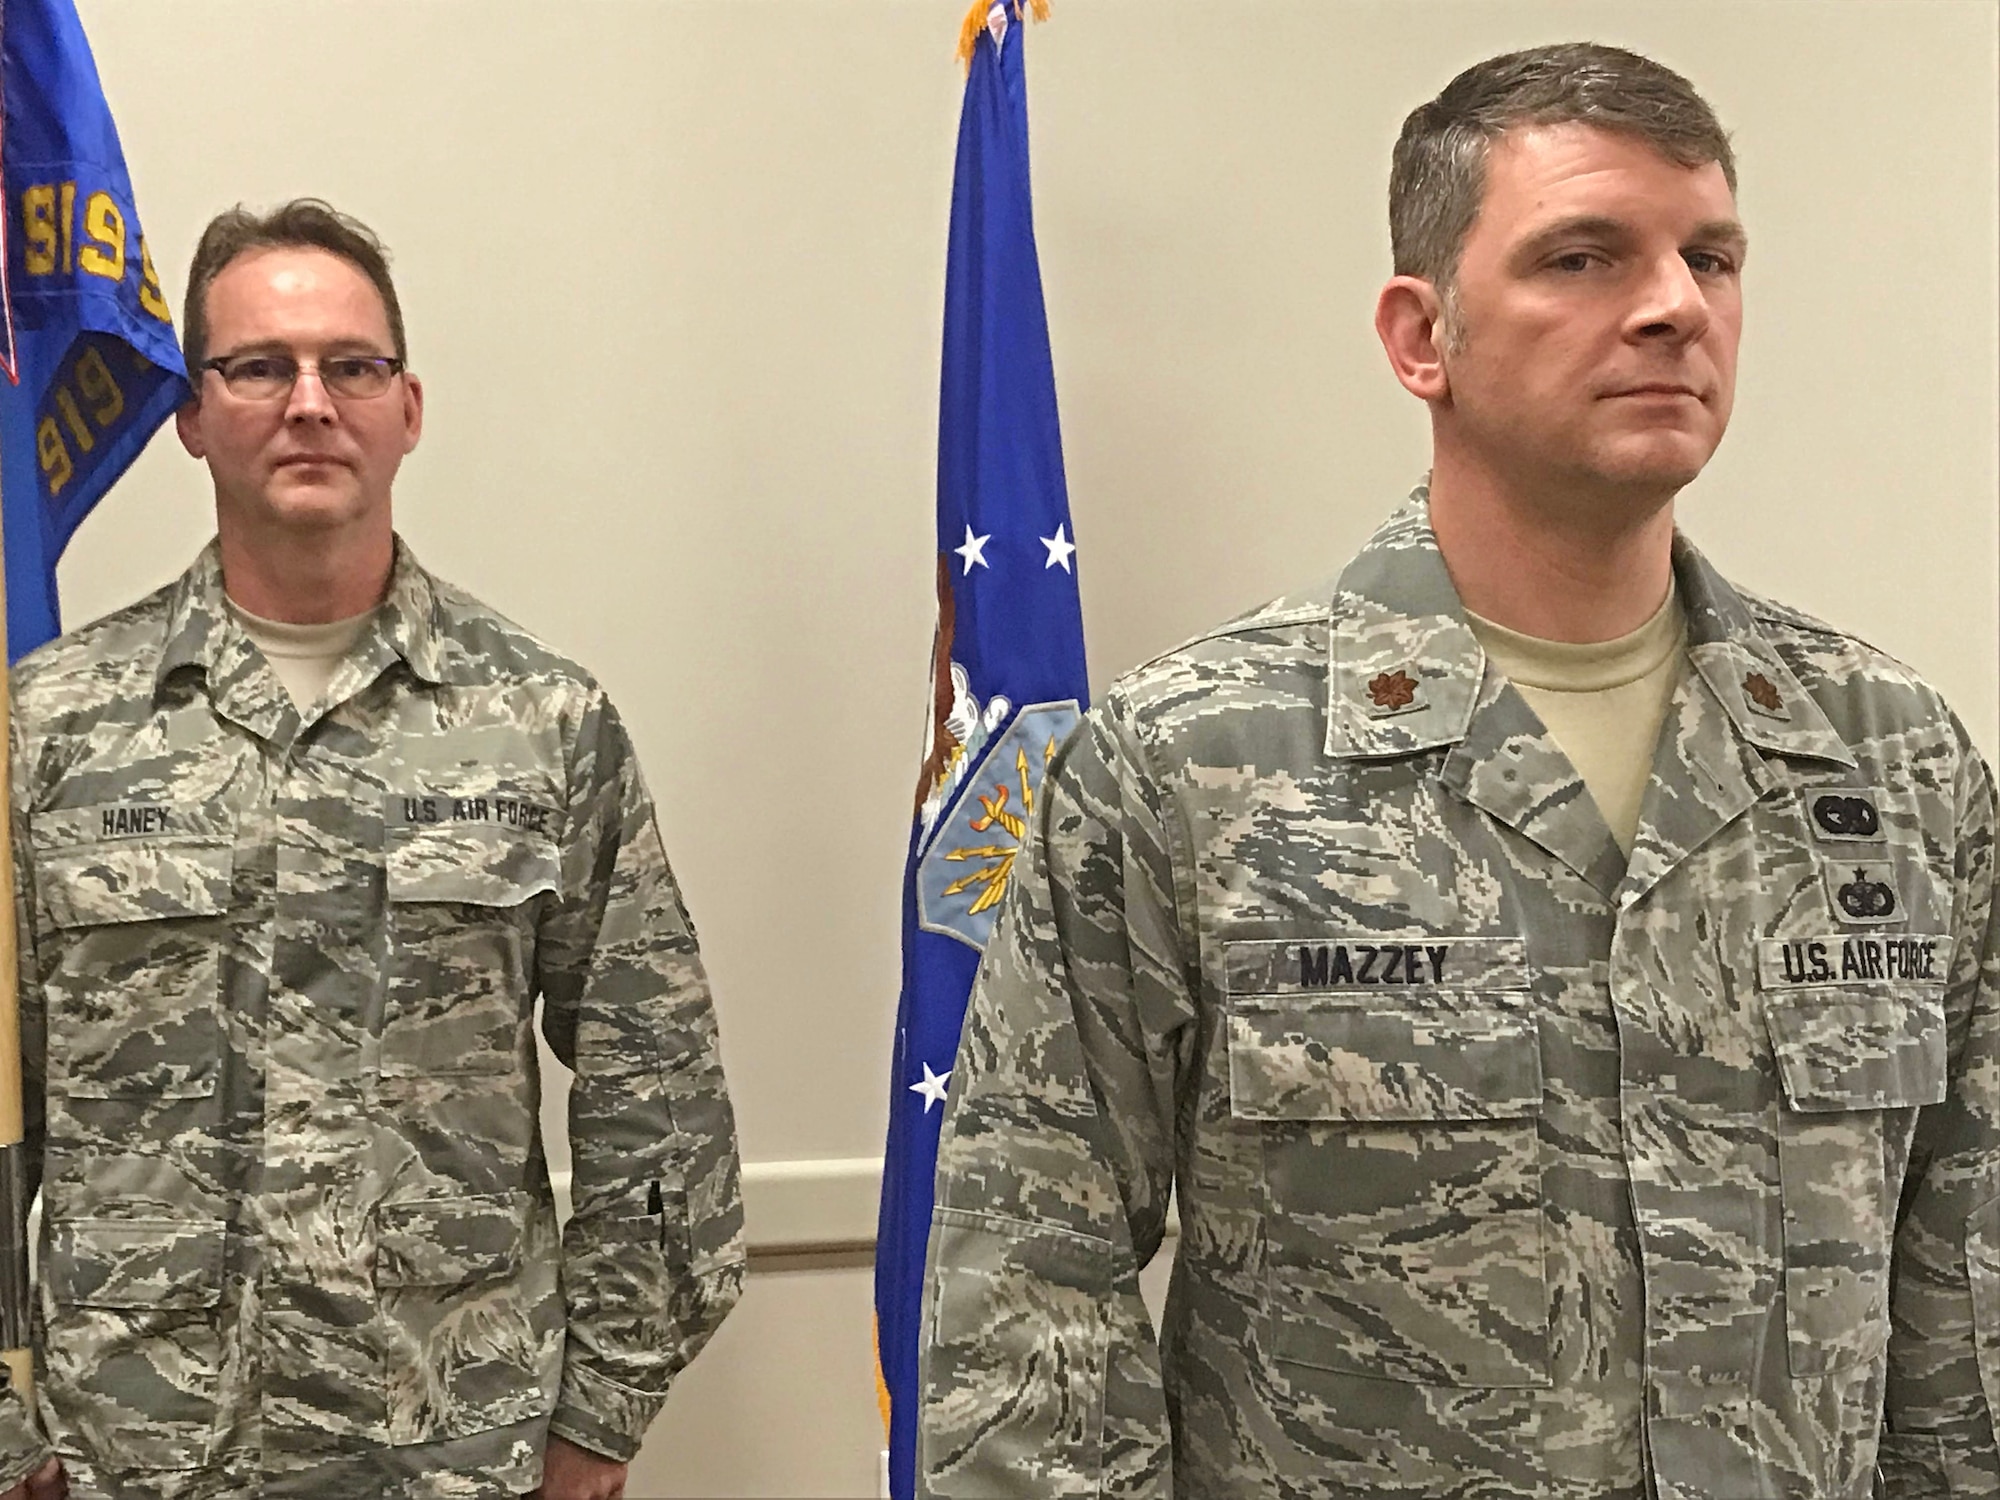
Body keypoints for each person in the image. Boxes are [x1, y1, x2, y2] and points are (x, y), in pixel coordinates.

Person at [917, 42, 1999, 1500]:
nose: (1676, 305)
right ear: (1423, 337)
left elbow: (1963, 1305)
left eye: (1712, 258)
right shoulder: (1196, 763)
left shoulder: (1891, 761)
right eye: (1584, 256)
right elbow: (1027, 1309)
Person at [0, 200, 745, 1500]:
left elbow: (658, 1091)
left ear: (408, 408)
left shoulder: (543, 726)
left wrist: (602, 1416)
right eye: (257, 366)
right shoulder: (44, 730)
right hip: (136, 1460)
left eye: (352, 365)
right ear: (190, 414)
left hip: (458, 1452)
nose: (309, 403)